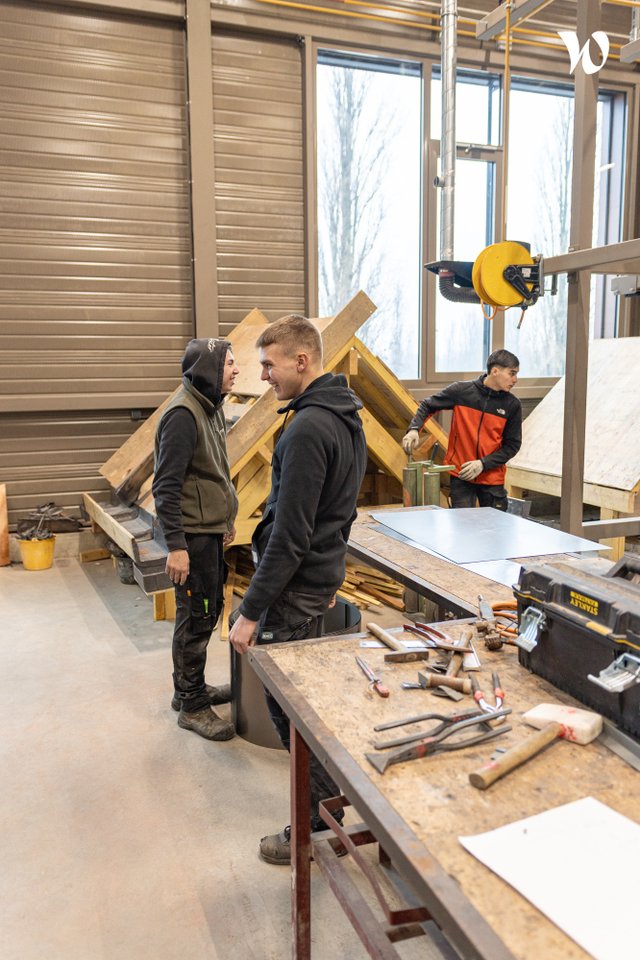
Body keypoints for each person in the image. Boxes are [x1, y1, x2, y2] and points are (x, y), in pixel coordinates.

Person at [229, 314, 367, 865]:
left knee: (294, 717)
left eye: (269, 364)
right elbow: (341, 512)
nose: (263, 375)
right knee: (310, 708)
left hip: (291, 592)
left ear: (301, 360)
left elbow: (290, 537)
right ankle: (328, 800)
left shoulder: (309, 428)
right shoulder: (343, 415)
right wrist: (329, 575)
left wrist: (250, 612)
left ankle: (310, 828)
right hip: (313, 583)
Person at [153, 338, 239, 741]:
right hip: (190, 537)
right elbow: (166, 487)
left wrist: (225, 516)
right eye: (230, 364)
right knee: (198, 615)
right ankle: (192, 706)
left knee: (204, 611)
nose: (237, 371)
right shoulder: (183, 415)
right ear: (209, 370)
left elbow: (212, 471)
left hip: (207, 531)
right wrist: (176, 546)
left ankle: (187, 689)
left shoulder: (210, 406)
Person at [402, 349, 522, 511]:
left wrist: (482, 464)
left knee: (495, 532)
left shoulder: (512, 405)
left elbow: (512, 446)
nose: (515, 380)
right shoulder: (461, 392)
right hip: (461, 476)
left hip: (492, 480)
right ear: (495, 371)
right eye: (512, 373)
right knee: (460, 530)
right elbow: (427, 405)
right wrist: (414, 429)